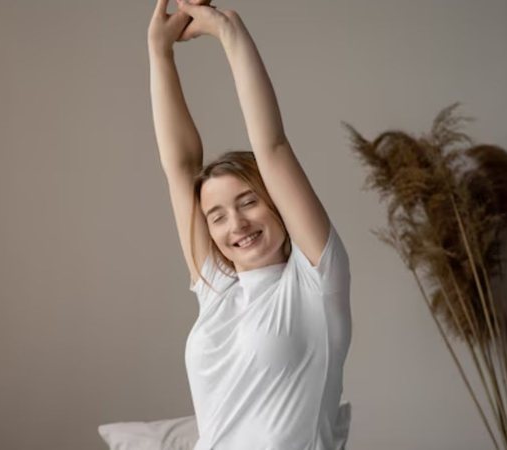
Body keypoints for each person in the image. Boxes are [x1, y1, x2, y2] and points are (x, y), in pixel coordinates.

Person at [147, 0, 353, 448]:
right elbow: (180, 167)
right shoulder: (217, 289)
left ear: (276, 202)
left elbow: (272, 144)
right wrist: (159, 54)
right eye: (216, 216)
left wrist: (229, 33)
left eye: (248, 202)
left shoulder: (316, 281)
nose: (235, 224)